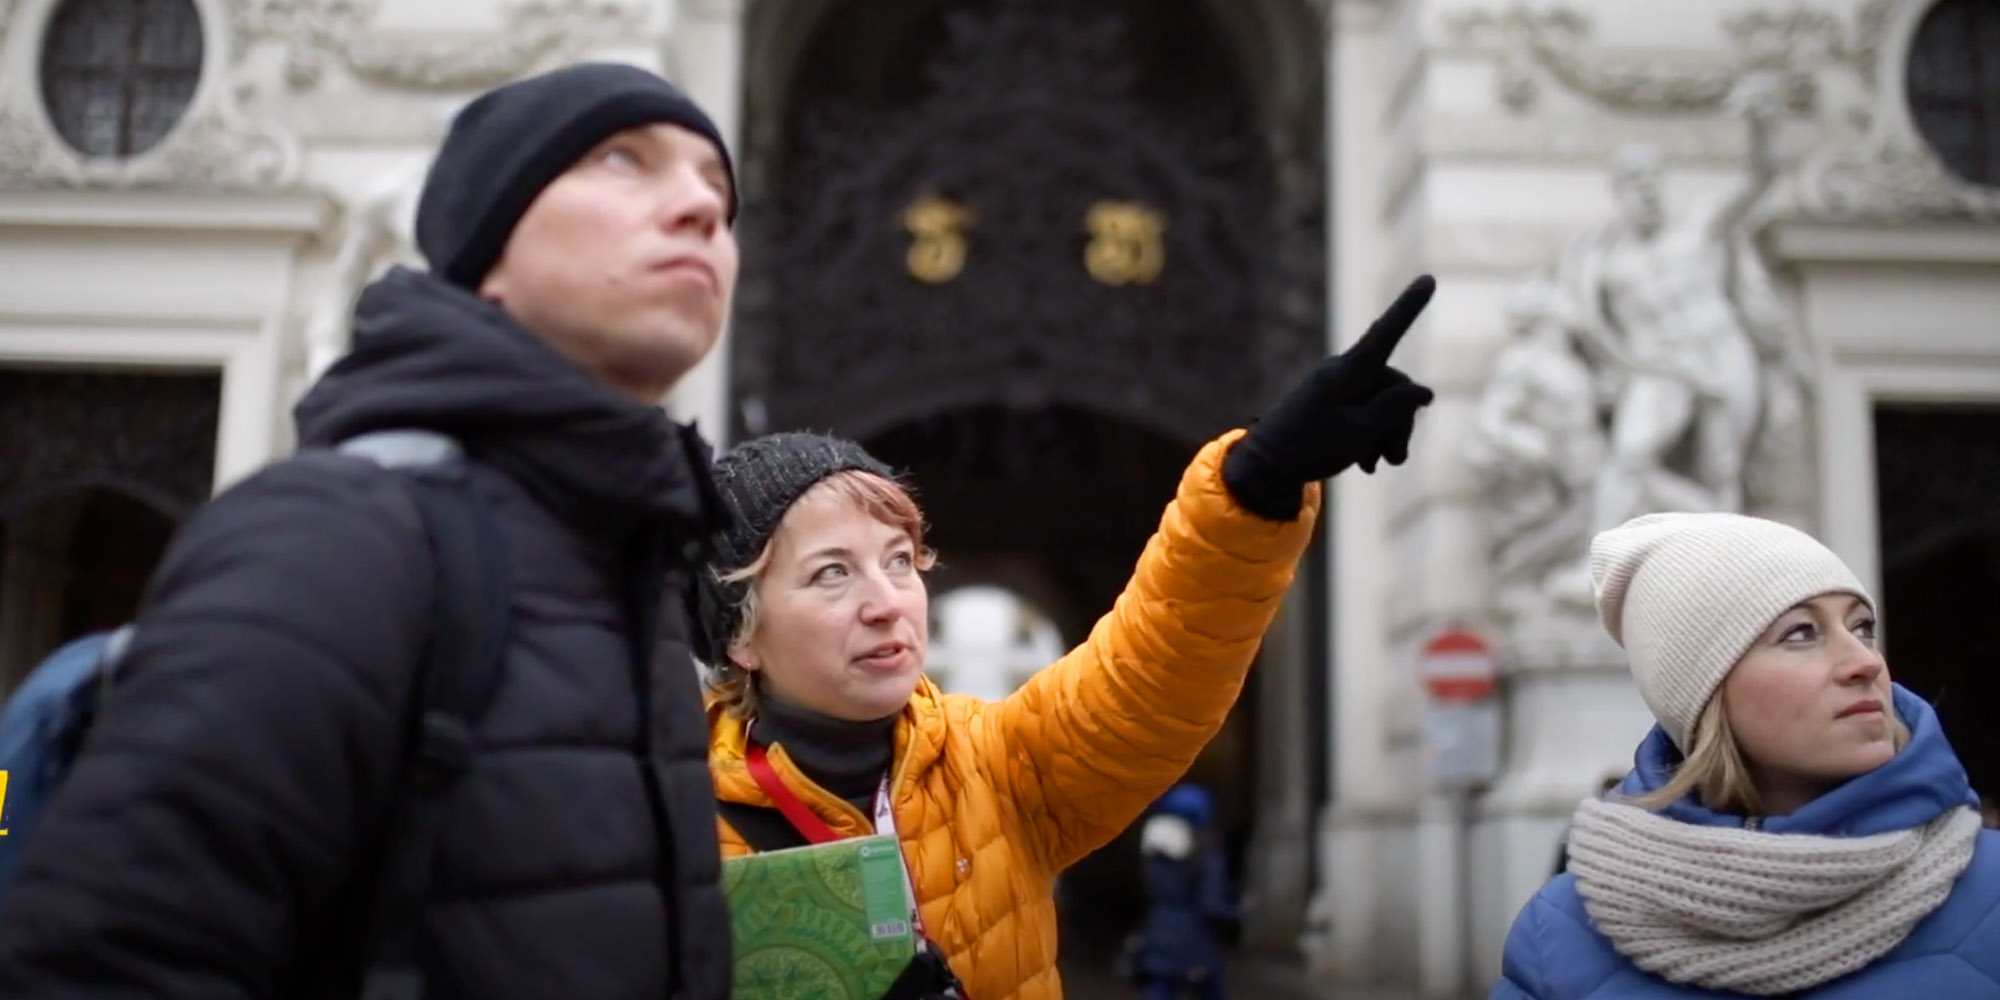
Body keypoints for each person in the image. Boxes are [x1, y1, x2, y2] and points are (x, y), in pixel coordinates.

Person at [0, 62, 741, 1000]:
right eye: (621, 159)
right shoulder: (338, 536)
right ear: (488, 248)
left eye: (718, 188)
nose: (699, 209)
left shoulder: (628, 572)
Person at [693, 276, 1441, 1000]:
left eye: (900, 561)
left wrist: (1256, 486)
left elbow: (1147, 675)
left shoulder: (995, 768)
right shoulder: (662, 820)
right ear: (741, 636)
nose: (887, 603)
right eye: (832, 574)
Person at [1491, 512, 2000, 999]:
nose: (1865, 662)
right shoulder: (1563, 932)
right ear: (1706, 692)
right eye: (1800, 633)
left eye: (1862, 626)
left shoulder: (1989, 889)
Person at [1129, 784, 1237, 1000]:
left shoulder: (1153, 851)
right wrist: (1237, 911)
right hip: (1195, 942)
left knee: (1158, 988)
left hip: (1158, 935)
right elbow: (1211, 904)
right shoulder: (1206, 853)